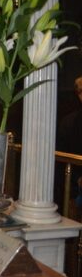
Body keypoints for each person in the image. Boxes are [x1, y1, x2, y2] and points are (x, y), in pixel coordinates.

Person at [57, 76, 82, 218]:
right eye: (81, 92)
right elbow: (61, 158)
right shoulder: (69, 123)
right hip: (75, 189)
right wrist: (78, 179)